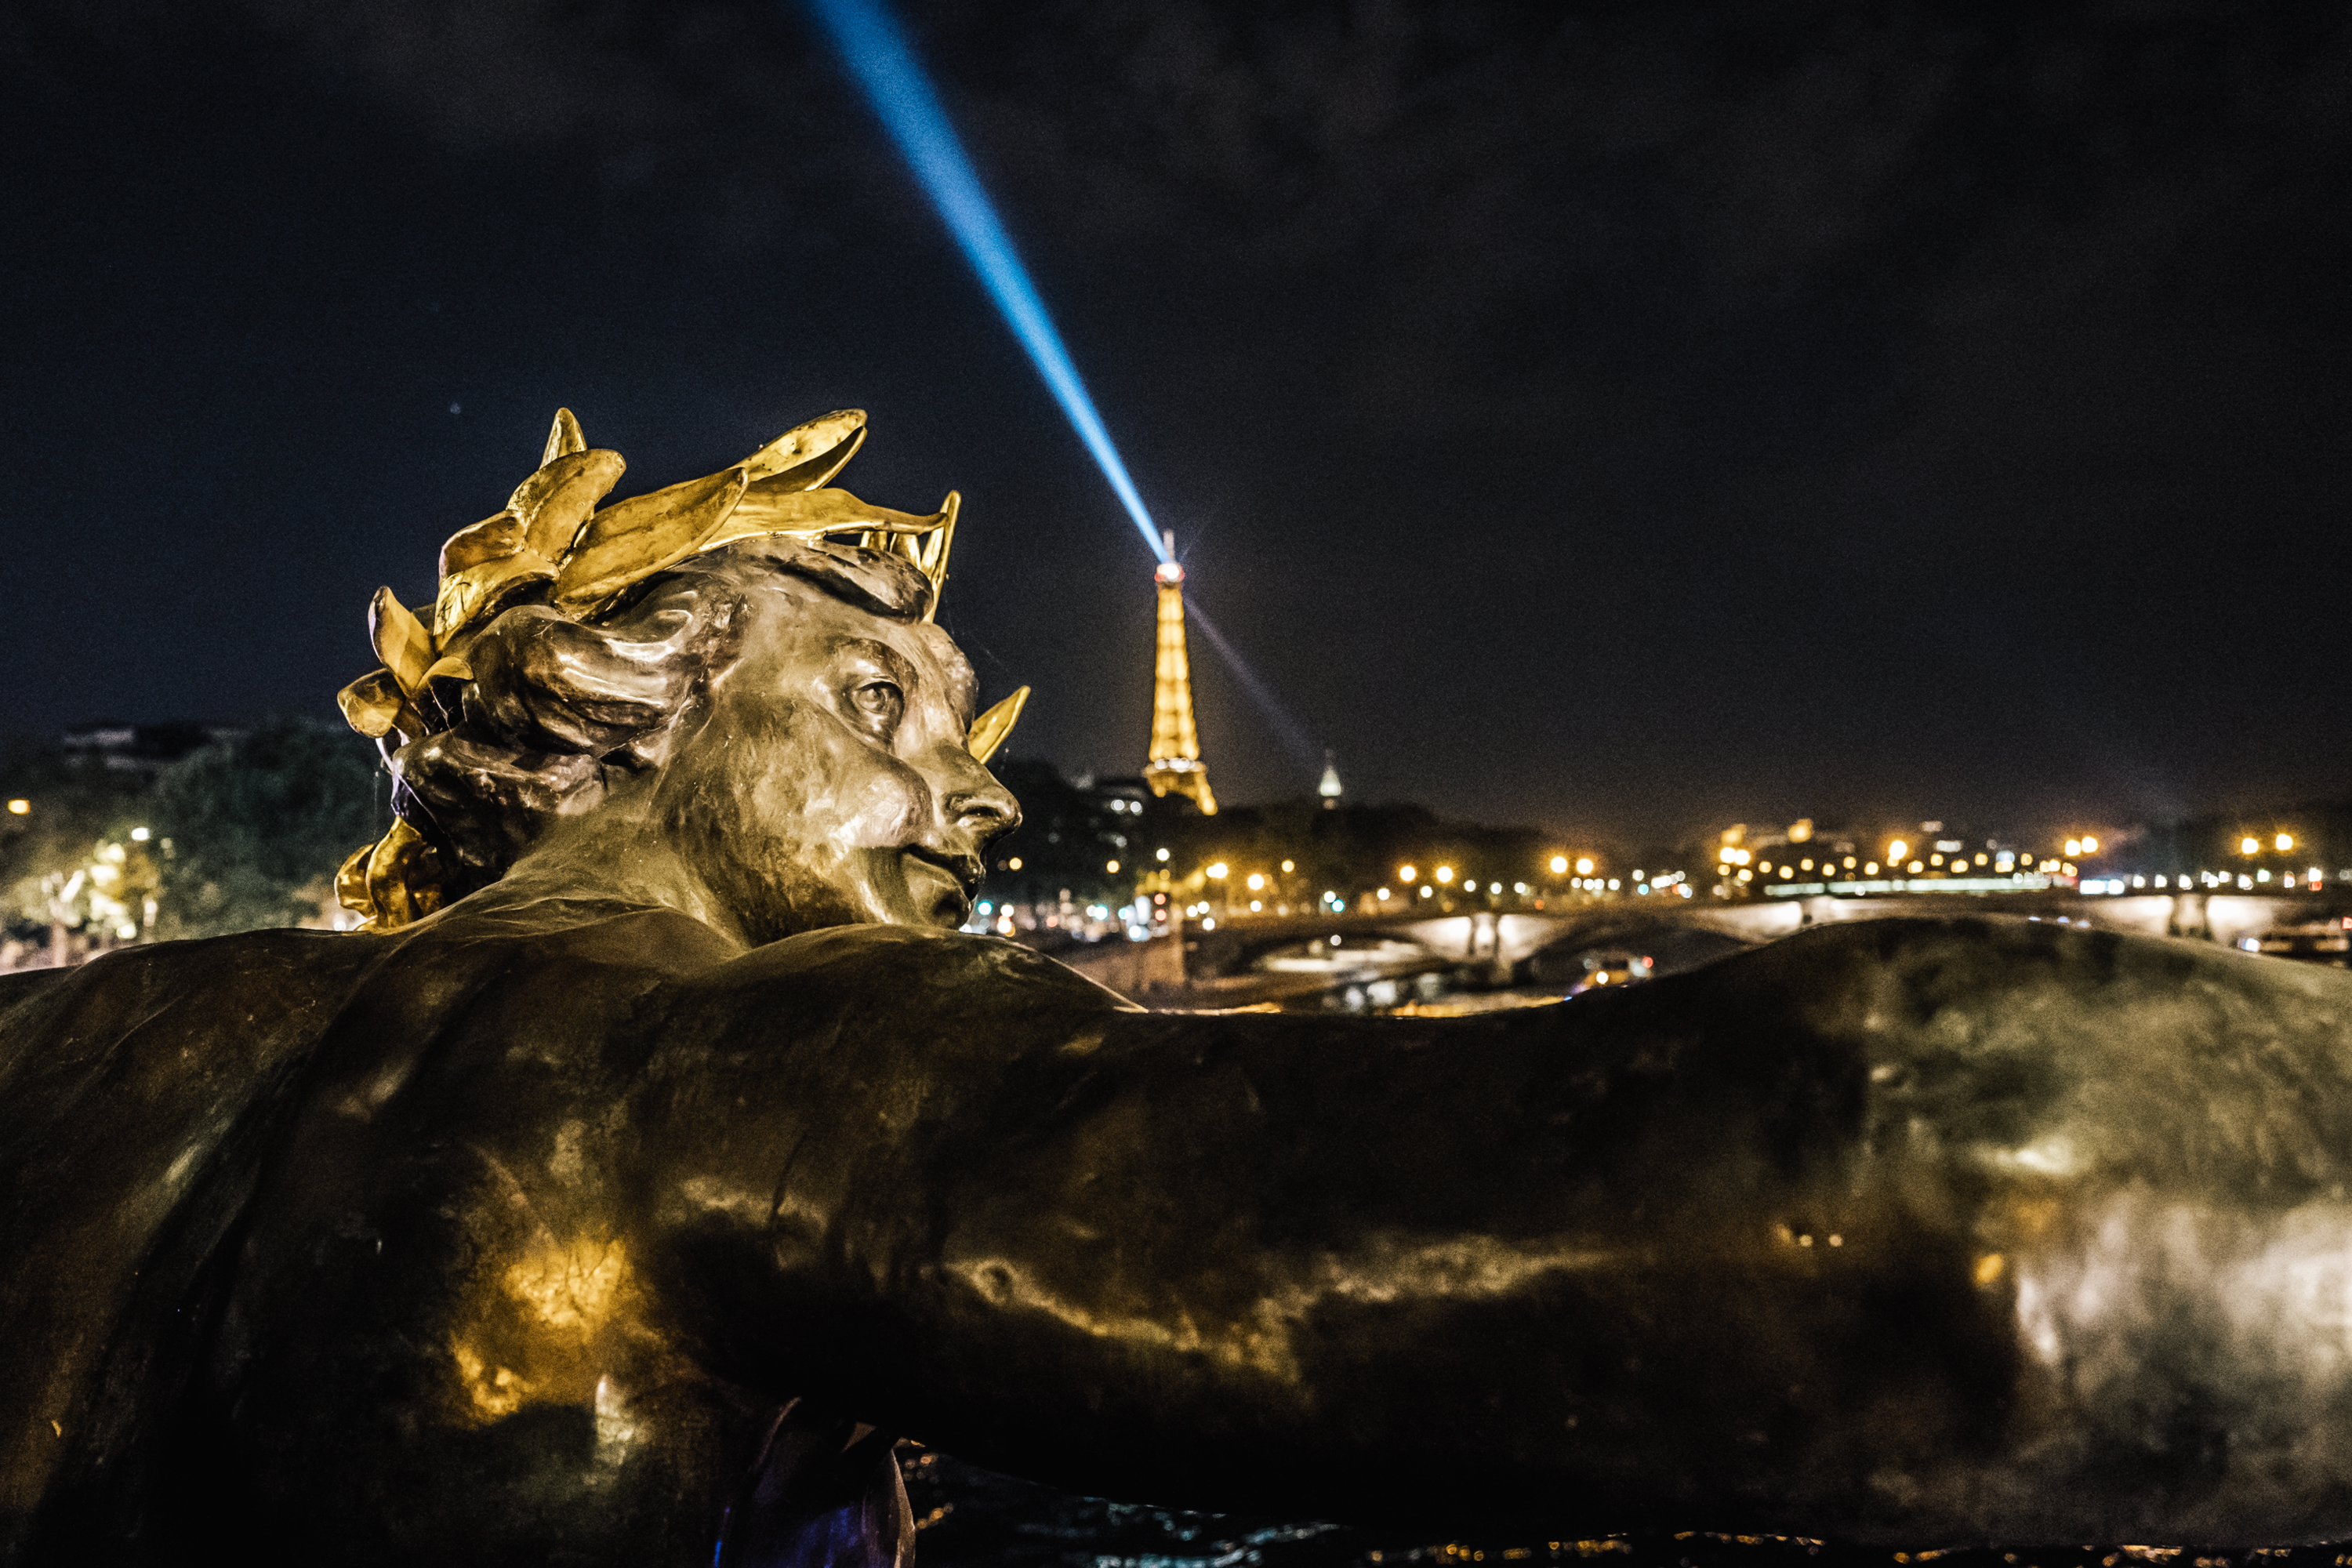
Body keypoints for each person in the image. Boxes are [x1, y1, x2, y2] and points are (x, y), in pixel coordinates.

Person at [6, 411, 2352, 1566]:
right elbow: (1987, 1197)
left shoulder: (80, 1047)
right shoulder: (693, 1066)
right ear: (640, 689)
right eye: (879, 703)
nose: (969, 794)